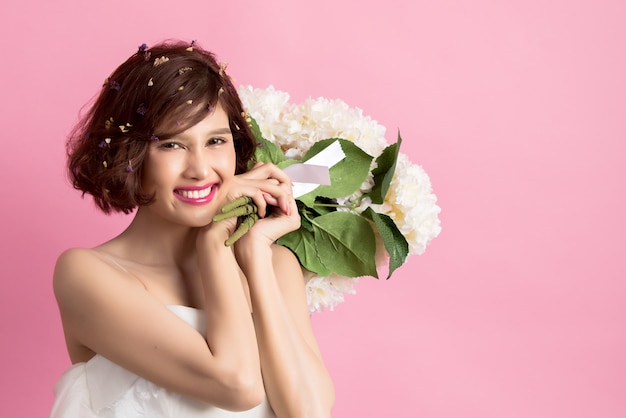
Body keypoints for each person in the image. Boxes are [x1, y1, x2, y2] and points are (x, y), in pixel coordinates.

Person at [51, 40, 335, 418]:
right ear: (131, 157)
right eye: (171, 145)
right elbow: (237, 385)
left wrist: (253, 256)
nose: (201, 169)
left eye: (216, 140)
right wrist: (215, 243)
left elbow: (309, 412)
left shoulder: (273, 263)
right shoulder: (86, 274)